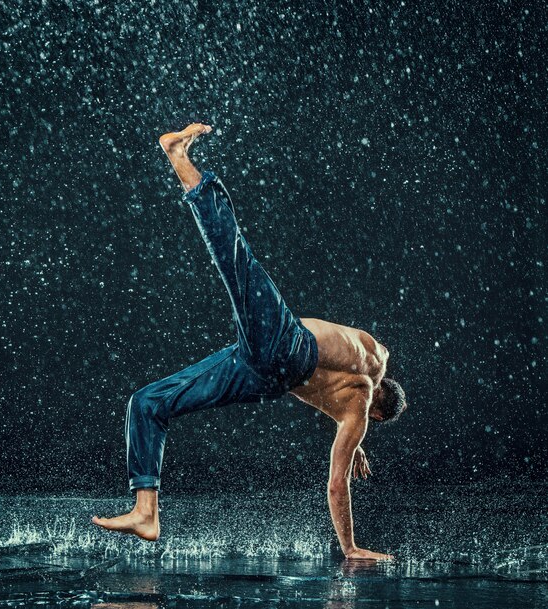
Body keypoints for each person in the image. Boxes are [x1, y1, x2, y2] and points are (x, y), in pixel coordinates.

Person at [92, 123, 407, 560]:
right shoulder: (356, 410)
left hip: (283, 346)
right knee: (147, 401)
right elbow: (337, 482)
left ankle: (177, 155)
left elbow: (362, 381)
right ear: (376, 410)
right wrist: (351, 546)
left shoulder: (375, 355)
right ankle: (145, 512)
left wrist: (359, 434)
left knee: (233, 251)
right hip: (270, 371)